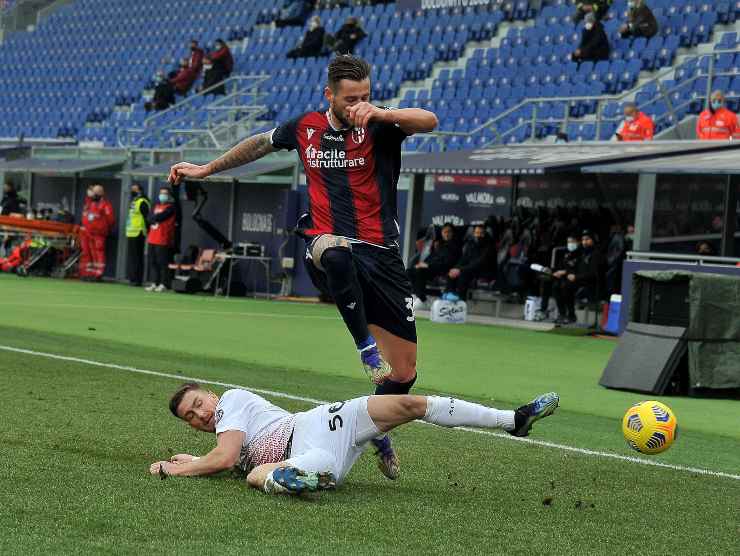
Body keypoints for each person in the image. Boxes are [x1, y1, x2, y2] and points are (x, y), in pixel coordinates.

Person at [168, 55, 439, 481]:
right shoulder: (305, 126)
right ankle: (365, 349)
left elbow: (429, 120)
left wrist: (382, 112)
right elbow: (258, 143)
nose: (358, 105)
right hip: (327, 244)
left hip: (381, 255)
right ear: (329, 95)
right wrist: (206, 169)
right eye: (351, 98)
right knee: (332, 251)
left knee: (404, 372)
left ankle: (376, 434)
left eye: (365, 96)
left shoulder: (381, 123)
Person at [149, 383, 559, 495]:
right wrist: (193, 461)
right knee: (258, 471)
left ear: (212, 396)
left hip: (315, 425)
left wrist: (174, 468)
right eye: (192, 416)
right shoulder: (223, 433)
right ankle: (294, 478)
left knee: (409, 404)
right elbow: (222, 456)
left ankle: (514, 419)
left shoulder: (231, 403)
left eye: (199, 403)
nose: (201, 413)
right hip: (313, 451)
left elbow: (223, 458)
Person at [552, 230, 603, 325]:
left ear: (593, 240)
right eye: (583, 239)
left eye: (587, 239)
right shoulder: (583, 253)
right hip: (579, 280)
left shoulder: (596, 254)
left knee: (566, 287)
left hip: (590, 284)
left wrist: (576, 277)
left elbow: (593, 274)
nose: (584, 242)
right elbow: (575, 268)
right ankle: (562, 314)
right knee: (556, 285)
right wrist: (567, 273)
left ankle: (571, 315)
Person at [407, 223, 461, 309]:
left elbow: (447, 263)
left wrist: (427, 265)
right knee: (410, 271)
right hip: (433, 268)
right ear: (442, 233)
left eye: (449, 232)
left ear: (453, 233)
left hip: (444, 270)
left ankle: (422, 300)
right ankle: (416, 295)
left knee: (419, 271)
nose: (447, 234)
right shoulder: (440, 245)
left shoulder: (455, 246)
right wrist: (422, 264)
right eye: (445, 232)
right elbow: (432, 257)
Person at [442, 224, 496, 302]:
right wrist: (455, 268)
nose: (479, 235)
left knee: (463, 275)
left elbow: (479, 263)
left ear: (485, 234)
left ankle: (461, 302)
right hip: (470, 270)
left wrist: (460, 270)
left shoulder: (489, 247)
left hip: (484, 271)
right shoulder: (471, 244)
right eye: (477, 233)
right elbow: (463, 259)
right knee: (452, 272)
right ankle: (449, 295)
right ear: (474, 234)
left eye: (481, 233)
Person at [535, 234, 581, 322]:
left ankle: (570, 314)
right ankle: (544, 309)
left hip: (575, 278)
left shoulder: (580, 254)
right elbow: (560, 266)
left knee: (560, 287)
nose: (570, 244)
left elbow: (579, 269)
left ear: (578, 243)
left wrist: (564, 272)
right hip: (563, 277)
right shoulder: (567, 254)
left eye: (572, 242)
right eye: (568, 242)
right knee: (546, 280)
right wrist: (552, 271)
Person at [81, 184, 115, 281]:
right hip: (88, 233)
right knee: (89, 253)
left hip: (99, 234)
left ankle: (98, 274)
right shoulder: (90, 204)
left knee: (99, 253)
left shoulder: (105, 205)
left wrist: (103, 228)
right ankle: (90, 273)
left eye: (95, 193)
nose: (93, 195)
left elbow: (111, 220)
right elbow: (86, 217)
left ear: (100, 193)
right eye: (93, 193)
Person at [146, 186, 177, 292]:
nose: (162, 195)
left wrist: (153, 218)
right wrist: (153, 218)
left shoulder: (171, 207)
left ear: (169, 196)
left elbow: (161, 217)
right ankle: (155, 282)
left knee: (162, 262)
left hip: (163, 239)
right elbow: (149, 217)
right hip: (152, 238)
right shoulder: (156, 205)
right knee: (153, 262)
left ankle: (164, 284)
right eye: (161, 193)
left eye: (165, 193)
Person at [125, 183, 150, 287]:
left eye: (134, 189)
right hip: (131, 232)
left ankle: (137, 279)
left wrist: (147, 230)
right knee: (132, 257)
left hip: (139, 232)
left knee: (137, 257)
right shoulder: (134, 201)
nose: (132, 191)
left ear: (139, 190)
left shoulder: (143, 201)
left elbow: (146, 217)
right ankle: (132, 278)